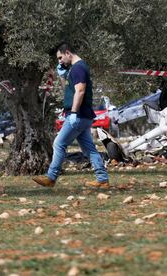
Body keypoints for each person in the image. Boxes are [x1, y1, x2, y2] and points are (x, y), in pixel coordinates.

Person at [33, 42, 109, 188]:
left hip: (78, 115)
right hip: (83, 116)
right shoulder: (75, 69)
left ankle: (51, 177)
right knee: (89, 149)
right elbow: (69, 90)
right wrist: (62, 76)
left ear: (68, 53)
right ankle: (102, 179)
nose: (60, 61)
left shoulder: (78, 68)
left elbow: (80, 91)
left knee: (59, 143)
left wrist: (73, 112)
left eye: (61, 58)